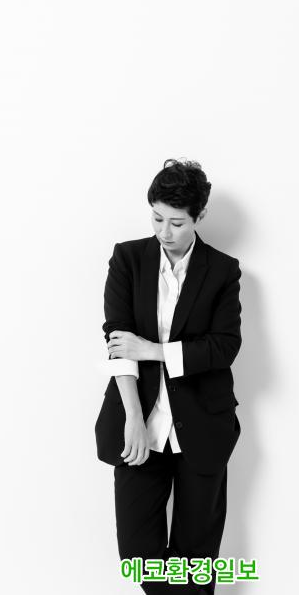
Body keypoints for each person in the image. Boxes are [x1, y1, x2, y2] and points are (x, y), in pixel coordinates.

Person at [94, 158, 242, 595]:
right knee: (139, 558)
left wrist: (154, 351)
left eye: (177, 223)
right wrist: (133, 418)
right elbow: (118, 342)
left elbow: (224, 347)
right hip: (140, 423)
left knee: (196, 560)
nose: (165, 231)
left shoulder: (222, 270)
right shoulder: (128, 259)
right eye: (157, 218)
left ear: (200, 216)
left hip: (202, 425)